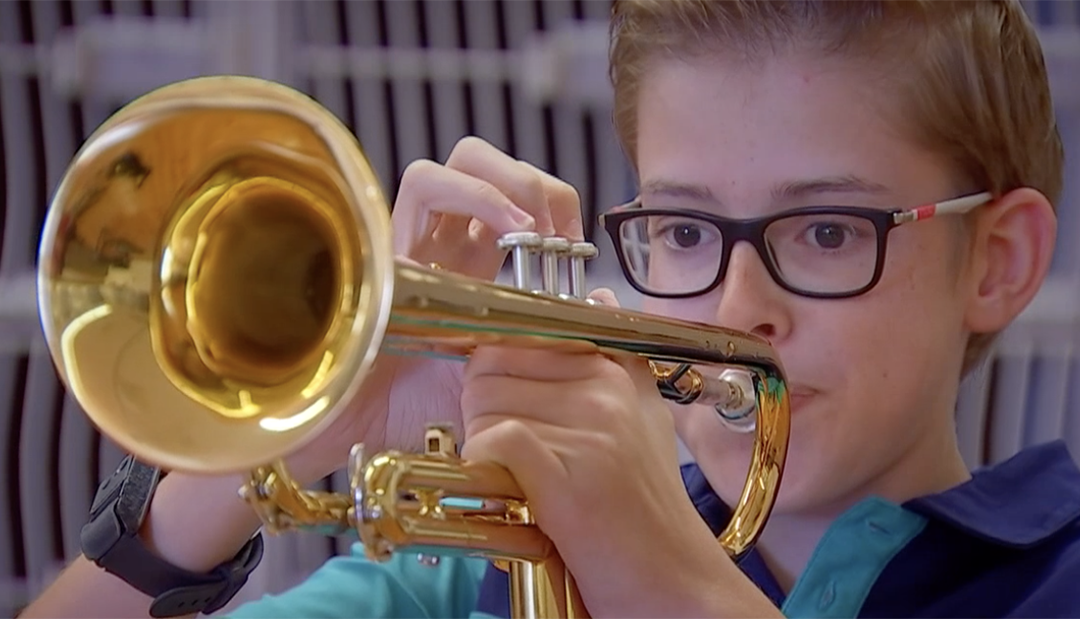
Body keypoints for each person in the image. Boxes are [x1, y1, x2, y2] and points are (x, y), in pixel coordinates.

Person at [22, 0, 1080, 618]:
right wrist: (264, 448)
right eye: (684, 231)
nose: (739, 305)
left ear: (997, 258)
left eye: (828, 231)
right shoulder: (480, 579)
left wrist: (657, 564)